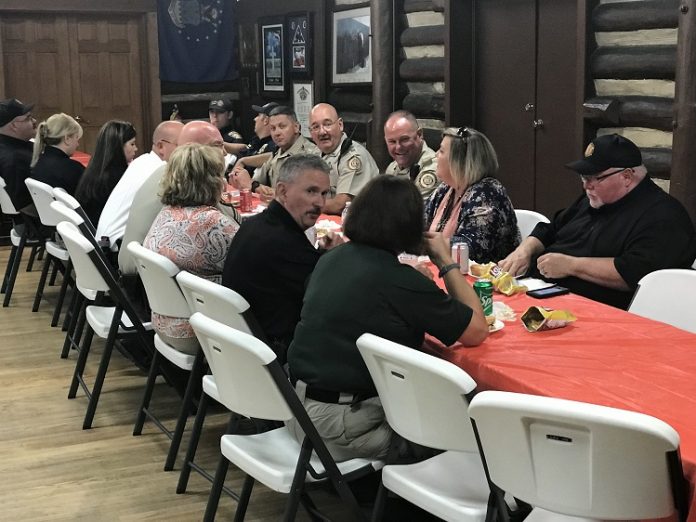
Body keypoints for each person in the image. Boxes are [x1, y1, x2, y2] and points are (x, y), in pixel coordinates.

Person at [286, 176, 489, 461]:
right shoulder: (398, 281)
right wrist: (447, 262)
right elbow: (476, 331)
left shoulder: (332, 258)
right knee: (478, 432)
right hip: (342, 424)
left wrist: (412, 282)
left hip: (295, 406)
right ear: (410, 226)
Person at [499, 133, 696, 309]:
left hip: (599, 312)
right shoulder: (593, 199)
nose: (586, 185)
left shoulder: (663, 216)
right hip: (541, 293)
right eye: (583, 177)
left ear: (626, 176)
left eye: (594, 178)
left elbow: (633, 273)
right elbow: (550, 229)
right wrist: (523, 251)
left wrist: (571, 265)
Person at [222, 154, 342, 363]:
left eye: (324, 193)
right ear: (282, 191)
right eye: (311, 191)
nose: (320, 202)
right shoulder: (283, 243)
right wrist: (338, 258)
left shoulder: (257, 225)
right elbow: (328, 299)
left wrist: (322, 256)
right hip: (274, 357)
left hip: (241, 350)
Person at [143, 142, 239, 354]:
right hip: (200, 331)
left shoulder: (167, 213)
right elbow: (252, 264)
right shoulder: (211, 222)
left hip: (165, 322)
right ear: (212, 180)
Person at [119, 120, 239, 275]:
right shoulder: (189, 180)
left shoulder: (166, 173)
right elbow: (232, 229)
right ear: (196, 149)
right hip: (143, 280)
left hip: (149, 278)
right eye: (217, 145)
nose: (224, 153)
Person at [424, 126, 519, 263]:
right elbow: (420, 224)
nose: (436, 155)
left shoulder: (488, 193)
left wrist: (424, 243)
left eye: (442, 151)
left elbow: (471, 249)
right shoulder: (445, 189)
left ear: (460, 161)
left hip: (486, 280)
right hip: (449, 272)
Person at [96, 120, 183, 248]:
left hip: (106, 244)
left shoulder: (142, 161)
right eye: (183, 145)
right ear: (161, 146)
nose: (189, 151)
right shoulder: (160, 171)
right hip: (117, 250)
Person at [309, 103, 380, 215]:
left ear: (340, 125)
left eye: (327, 124)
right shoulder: (314, 155)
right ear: (310, 132)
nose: (322, 132)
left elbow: (340, 205)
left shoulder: (354, 156)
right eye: (315, 127)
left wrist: (302, 203)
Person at [75, 120, 137, 225]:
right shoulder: (117, 177)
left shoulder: (95, 169)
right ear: (118, 146)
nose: (136, 148)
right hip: (105, 236)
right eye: (132, 144)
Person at [249, 105, 319, 197]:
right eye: (273, 128)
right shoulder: (277, 152)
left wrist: (277, 195)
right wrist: (256, 186)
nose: (277, 133)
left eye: (282, 127)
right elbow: (255, 181)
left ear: (296, 127)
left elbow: (311, 195)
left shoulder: (312, 155)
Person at [384, 110, 438, 198]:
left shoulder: (432, 169)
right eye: (392, 141)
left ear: (419, 135)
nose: (398, 147)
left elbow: (411, 210)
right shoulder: (392, 167)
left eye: (404, 139)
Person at [30, 113, 84, 196]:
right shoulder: (73, 169)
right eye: (76, 138)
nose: (78, 144)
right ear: (67, 139)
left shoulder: (38, 161)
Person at [0, 98, 37, 215]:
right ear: (14, 125)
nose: (34, 121)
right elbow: (25, 205)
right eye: (29, 118)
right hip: (39, 225)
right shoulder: (14, 159)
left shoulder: (14, 147)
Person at [226, 101, 279, 176]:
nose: (255, 119)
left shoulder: (274, 144)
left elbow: (275, 156)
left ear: (266, 120)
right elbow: (244, 149)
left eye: (258, 115)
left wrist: (244, 161)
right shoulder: (256, 140)